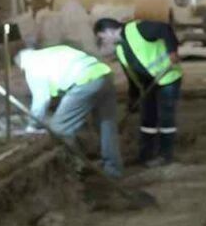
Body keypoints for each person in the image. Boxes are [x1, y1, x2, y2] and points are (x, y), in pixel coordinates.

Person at [16, 45, 123, 178]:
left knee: (59, 129)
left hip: (84, 82)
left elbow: (41, 99)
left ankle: (77, 168)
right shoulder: (53, 51)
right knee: (106, 124)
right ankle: (113, 170)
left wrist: (32, 125)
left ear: (21, 65)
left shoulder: (31, 67)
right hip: (104, 75)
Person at [94, 18, 183, 167]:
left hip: (167, 77)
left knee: (165, 117)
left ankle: (165, 155)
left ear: (109, 31)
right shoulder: (120, 50)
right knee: (147, 120)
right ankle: (145, 155)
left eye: (102, 38)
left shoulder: (138, 29)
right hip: (148, 84)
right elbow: (132, 77)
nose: (104, 42)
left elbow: (164, 28)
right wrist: (133, 99)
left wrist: (172, 51)